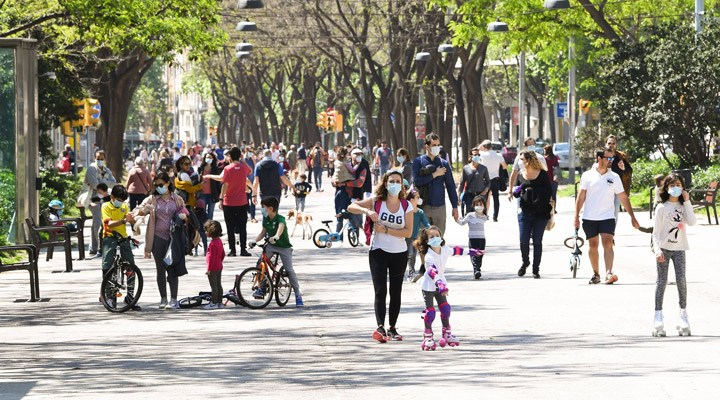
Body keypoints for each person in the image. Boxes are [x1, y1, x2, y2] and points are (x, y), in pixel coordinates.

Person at [347, 170, 414, 343]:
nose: (395, 184)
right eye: (391, 181)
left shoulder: (406, 206)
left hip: (399, 253)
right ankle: (380, 327)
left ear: (402, 185)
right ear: (385, 183)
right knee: (380, 290)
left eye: (398, 181)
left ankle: (392, 327)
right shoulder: (377, 201)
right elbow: (351, 206)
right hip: (378, 251)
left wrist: (386, 230)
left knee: (395, 291)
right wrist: (366, 211)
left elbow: (408, 232)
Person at [574, 148, 640, 285]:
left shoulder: (614, 177)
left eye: (612, 159)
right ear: (599, 159)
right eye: (608, 158)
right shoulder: (587, 175)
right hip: (589, 217)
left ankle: (609, 272)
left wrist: (632, 217)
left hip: (607, 216)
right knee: (593, 245)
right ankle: (596, 274)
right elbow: (581, 197)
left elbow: (623, 197)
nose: (611, 161)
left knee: (608, 242)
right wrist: (576, 216)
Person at [414, 226, 483, 350]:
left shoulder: (444, 249)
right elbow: (431, 271)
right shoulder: (429, 256)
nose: (435, 238)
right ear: (427, 241)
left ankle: (447, 333)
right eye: (432, 236)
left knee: (445, 309)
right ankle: (428, 336)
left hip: (441, 284)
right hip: (429, 285)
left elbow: (457, 251)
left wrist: (472, 251)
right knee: (430, 313)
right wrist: (439, 283)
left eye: (437, 235)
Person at [650, 173, 696, 336]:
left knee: (681, 281)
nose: (675, 188)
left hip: (679, 249)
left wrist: (688, 200)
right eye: (672, 185)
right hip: (663, 249)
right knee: (662, 282)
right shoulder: (662, 207)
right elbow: (655, 233)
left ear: (683, 187)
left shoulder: (684, 206)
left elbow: (692, 222)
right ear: (666, 188)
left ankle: (683, 314)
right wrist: (657, 250)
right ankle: (658, 315)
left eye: (678, 185)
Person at [136, 171, 189, 309]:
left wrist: (183, 216)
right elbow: (139, 210)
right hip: (157, 238)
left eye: (161, 184)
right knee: (160, 269)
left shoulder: (177, 199)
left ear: (168, 183)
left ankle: (174, 299)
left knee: (172, 268)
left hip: (173, 239)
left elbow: (185, 214)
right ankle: (163, 298)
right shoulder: (153, 199)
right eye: (156, 185)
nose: (159, 187)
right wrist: (144, 209)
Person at [248, 197, 304, 307]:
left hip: (284, 247)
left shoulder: (280, 219)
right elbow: (263, 233)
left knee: (289, 270)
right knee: (260, 263)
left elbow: (280, 228)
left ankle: (298, 294)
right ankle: (262, 287)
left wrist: (276, 236)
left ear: (271, 208)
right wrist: (254, 240)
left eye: (263, 207)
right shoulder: (266, 219)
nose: (262, 210)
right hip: (271, 246)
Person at [512, 151, 553, 279]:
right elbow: (518, 191)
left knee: (537, 242)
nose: (520, 162)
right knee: (523, 241)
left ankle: (536, 269)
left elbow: (548, 192)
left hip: (540, 213)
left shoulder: (542, 174)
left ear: (529, 160)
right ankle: (525, 262)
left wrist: (532, 190)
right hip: (524, 212)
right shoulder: (521, 174)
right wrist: (518, 190)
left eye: (522, 159)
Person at [100, 184, 140, 311]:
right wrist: (123, 221)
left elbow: (131, 221)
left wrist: (134, 220)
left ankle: (130, 297)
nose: (121, 203)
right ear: (112, 197)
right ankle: (110, 297)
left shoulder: (124, 206)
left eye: (123, 201)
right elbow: (109, 224)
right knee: (107, 266)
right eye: (119, 200)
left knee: (131, 266)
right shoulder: (105, 206)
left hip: (123, 237)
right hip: (109, 236)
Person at [412, 133, 459, 234]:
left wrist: (455, 207)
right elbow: (417, 181)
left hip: (440, 207)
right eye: (434, 145)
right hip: (423, 206)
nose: (437, 148)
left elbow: (450, 186)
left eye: (438, 145)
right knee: (422, 240)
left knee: (439, 240)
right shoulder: (418, 162)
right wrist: (435, 174)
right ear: (427, 146)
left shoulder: (443, 164)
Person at [84, 150, 117, 257]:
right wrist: (104, 184)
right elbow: (95, 185)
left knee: (97, 222)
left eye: (102, 159)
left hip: (103, 199)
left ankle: (93, 247)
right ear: (94, 158)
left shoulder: (106, 170)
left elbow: (113, 182)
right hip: (93, 199)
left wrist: (101, 182)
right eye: (98, 158)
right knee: (98, 222)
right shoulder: (91, 169)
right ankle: (100, 247)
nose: (100, 161)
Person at [457, 195, 489, 279]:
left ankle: (478, 268)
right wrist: (456, 218)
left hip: (482, 239)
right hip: (472, 238)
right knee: (474, 254)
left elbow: (488, 205)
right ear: (473, 205)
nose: (479, 206)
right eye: (476, 204)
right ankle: (476, 270)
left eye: (481, 204)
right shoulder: (470, 215)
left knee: (480, 255)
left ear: (484, 206)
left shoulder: (485, 217)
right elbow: (462, 223)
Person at [507, 137, 547, 201]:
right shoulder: (519, 158)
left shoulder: (540, 157)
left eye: (533, 144)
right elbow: (514, 173)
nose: (531, 146)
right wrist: (510, 191)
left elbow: (545, 175)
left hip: (537, 187)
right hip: (523, 186)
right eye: (529, 144)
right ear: (525, 146)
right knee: (522, 206)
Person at [605, 135, 633, 220]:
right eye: (609, 143)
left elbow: (629, 171)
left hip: (617, 189)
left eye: (613, 143)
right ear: (606, 144)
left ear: (616, 144)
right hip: (604, 188)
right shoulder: (602, 156)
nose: (611, 145)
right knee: (603, 211)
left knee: (614, 211)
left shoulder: (620, 156)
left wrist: (623, 168)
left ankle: (611, 232)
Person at [478, 140, 507, 222]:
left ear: (484, 147)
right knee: (496, 199)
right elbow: (505, 166)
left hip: (485, 180)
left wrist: (482, 143)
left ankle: (484, 215)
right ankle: (495, 216)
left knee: (484, 198)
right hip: (495, 179)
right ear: (492, 147)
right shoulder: (498, 155)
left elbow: (477, 149)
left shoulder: (483, 155)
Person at [458, 149, 490, 217]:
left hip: (480, 195)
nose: (477, 156)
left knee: (480, 215)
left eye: (478, 155)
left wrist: (485, 191)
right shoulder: (466, 168)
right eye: (475, 154)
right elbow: (462, 183)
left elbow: (488, 182)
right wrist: (459, 195)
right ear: (471, 156)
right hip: (469, 195)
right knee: (470, 215)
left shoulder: (483, 168)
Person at [406, 190, 430, 282]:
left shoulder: (420, 212)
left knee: (414, 254)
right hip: (405, 237)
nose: (419, 199)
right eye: (417, 198)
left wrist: (430, 229)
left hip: (415, 237)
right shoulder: (406, 211)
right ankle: (410, 272)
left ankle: (412, 273)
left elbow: (426, 222)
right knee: (410, 254)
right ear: (411, 200)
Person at [203, 220, 226, 309]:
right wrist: (220, 261)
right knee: (219, 285)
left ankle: (214, 302)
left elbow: (211, 258)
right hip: (219, 266)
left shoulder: (212, 244)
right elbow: (223, 253)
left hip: (213, 268)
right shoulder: (219, 241)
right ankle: (220, 302)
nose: (205, 232)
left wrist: (209, 269)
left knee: (214, 286)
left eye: (206, 231)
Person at [199, 152, 222, 221]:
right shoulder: (200, 168)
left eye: (210, 158)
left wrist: (219, 194)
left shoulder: (215, 169)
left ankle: (210, 227)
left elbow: (218, 182)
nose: (208, 159)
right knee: (202, 211)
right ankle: (203, 227)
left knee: (210, 212)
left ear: (213, 159)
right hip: (202, 193)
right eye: (207, 157)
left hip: (212, 194)